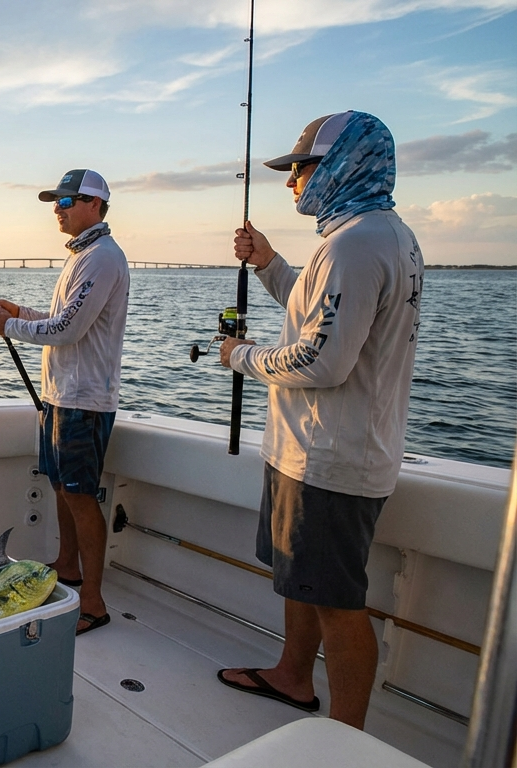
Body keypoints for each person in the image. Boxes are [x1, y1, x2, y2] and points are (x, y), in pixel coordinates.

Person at [216, 112, 423, 729]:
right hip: (320, 451)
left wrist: (240, 357)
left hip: (330, 460)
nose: (291, 183)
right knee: (306, 584)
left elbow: (320, 360)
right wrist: (270, 263)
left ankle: (346, 739)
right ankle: (293, 677)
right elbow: (319, 316)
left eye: (301, 169)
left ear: (339, 166)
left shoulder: (355, 245)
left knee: (338, 603)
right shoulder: (381, 235)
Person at [0, 168, 130, 637]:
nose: (57, 209)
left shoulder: (103, 257)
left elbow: (69, 330)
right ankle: (67, 567)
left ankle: (93, 600)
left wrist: (10, 329)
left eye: (66, 201)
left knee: (81, 497)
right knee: (62, 489)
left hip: (83, 401)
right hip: (60, 397)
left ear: (94, 205)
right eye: (56, 201)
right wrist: (22, 314)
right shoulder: (82, 256)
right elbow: (60, 317)